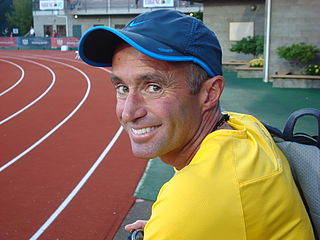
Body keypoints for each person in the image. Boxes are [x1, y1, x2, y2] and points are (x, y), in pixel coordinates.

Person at [78, 9, 315, 240]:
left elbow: (207, 204)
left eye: (154, 87)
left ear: (210, 93)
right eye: (122, 88)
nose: (128, 112)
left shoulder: (193, 203)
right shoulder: (242, 126)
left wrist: (176, 224)